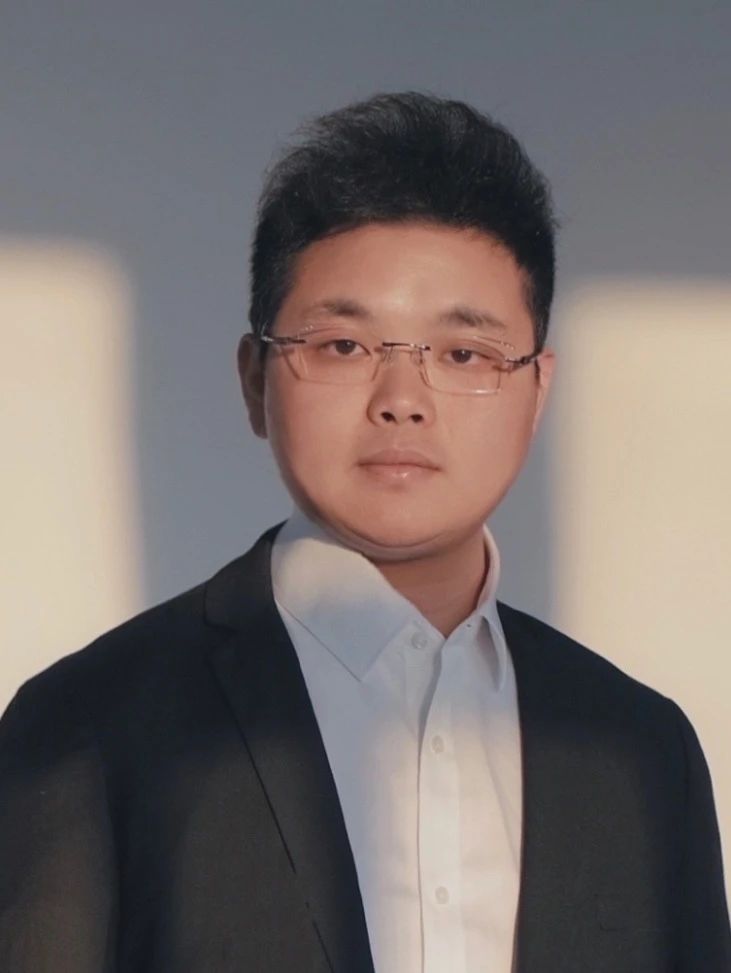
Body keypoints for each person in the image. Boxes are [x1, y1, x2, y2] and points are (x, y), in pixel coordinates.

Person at [0, 92, 728, 973]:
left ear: (536, 391)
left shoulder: (641, 750)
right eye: (343, 345)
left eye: (463, 353)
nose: (402, 399)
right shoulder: (87, 727)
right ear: (254, 379)